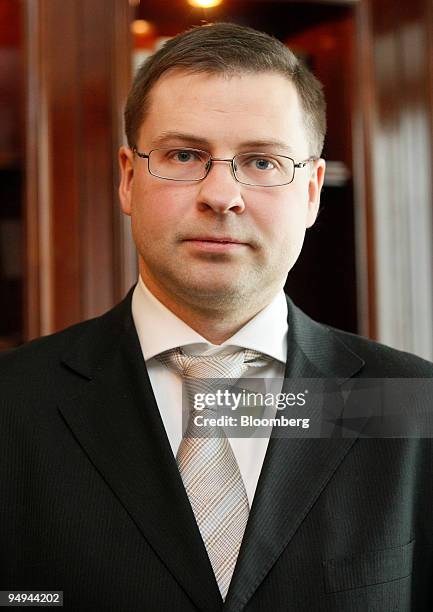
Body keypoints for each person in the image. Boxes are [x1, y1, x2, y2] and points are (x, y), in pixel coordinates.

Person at [1, 22, 432, 612]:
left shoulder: (409, 403)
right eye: (184, 155)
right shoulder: (12, 401)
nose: (221, 194)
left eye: (261, 161)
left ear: (310, 192)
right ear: (128, 178)